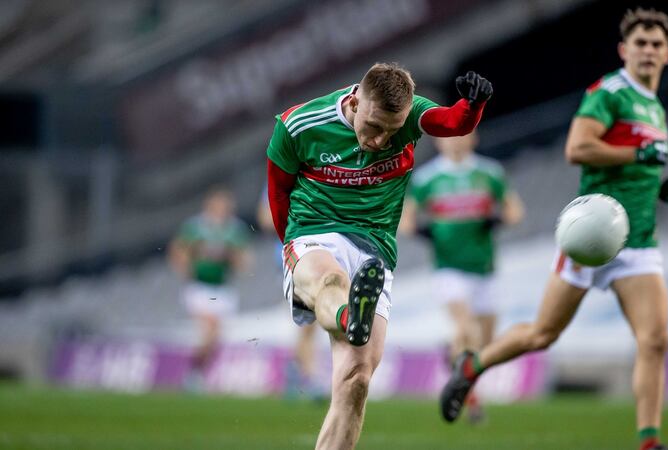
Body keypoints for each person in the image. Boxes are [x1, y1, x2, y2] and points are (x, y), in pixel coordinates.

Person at [439, 8, 668, 450]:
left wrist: (657, 187)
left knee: (655, 340)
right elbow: (578, 148)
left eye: (656, 44)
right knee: (542, 334)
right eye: (641, 43)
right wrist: (637, 158)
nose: (648, 50)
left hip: (639, 241)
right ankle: (471, 368)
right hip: (592, 237)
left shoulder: (654, 107)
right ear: (624, 50)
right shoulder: (609, 93)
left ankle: (650, 443)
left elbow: (641, 163)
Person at [267, 62, 492, 450]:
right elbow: (278, 192)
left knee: (357, 380)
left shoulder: (408, 115)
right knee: (329, 281)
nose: (380, 141)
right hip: (316, 232)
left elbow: (452, 123)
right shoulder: (298, 124)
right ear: (354, 102)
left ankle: (352, 316)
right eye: (373, 127)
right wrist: (293, 247)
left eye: (392, 131)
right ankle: (349, 315)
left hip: (375, 252)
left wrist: (474, 104)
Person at [398, 131, 524, 423]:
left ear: (474, 139)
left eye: (461, 136)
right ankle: (473, 400)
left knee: (486, 344)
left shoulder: (489, 172)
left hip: (485, 268)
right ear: (440, 142)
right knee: (467, 330)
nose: (455, 142)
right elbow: (407, 219)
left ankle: (454, 358)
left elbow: (515, 210)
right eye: (449, 137)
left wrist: (498, 219)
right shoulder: (427, 178)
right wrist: (423, 231)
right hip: (449, 268)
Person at [168, 187, 252, 390]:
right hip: (200, 286)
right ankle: (194, 374)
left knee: (215, 337)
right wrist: (185, 267)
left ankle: (194, 372)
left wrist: (230, 258)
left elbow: (244, 260)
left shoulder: (234, 229)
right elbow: (178, 249)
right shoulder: (196, 227)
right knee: (211, 328)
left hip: (222, 288)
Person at [257, 184, 323, 400]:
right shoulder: (281, 177)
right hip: (292, 258)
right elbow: (265, 218)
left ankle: (296, 369)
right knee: (309, 322)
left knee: (312, 323)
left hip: (316, 256)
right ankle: (310, 376)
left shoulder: (317, 176)